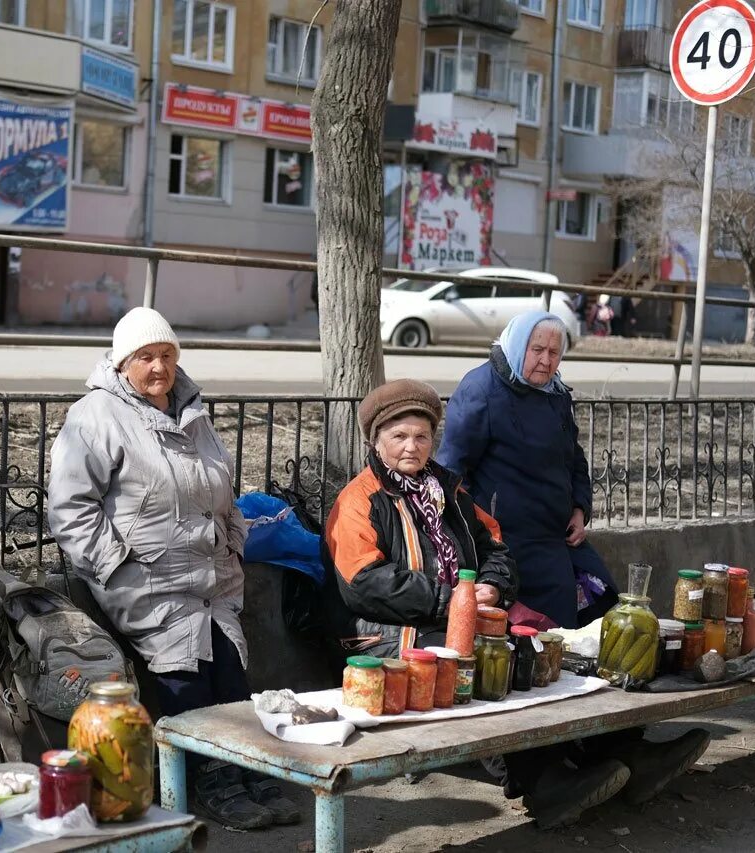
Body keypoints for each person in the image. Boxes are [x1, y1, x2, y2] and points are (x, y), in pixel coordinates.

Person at [437, 311, 710, 827]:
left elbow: (574, 460)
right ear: (517, 347)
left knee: (613, 629)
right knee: (543, 650)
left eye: (554, 352)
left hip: (563, 539)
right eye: (537, 350)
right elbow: (452, 473)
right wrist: (477, 542)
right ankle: (551, 774)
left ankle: (630, 751)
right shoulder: (482, 390)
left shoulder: (556, 394)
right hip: (511, 547)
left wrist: (580, 506)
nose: (545, 360)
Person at [47, 307, 297, 832]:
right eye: (146, 357)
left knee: (230, 675)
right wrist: (116, 566)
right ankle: (209, 782)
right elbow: (71, 508)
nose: (158, 367)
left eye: (166, 355)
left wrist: (234, 542)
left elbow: (223, 488)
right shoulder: (94, 415)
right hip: (148, 581)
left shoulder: (192, 409)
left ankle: (243, 770)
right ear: (122, 362)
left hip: (211, 580)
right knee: (185, 682)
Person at [320, 378, 517, 658]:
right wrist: (449, 600)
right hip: (380, 633)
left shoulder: (449, 493)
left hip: (450, 620)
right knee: (459, 662)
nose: (412, 447)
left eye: (421, 436)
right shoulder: (358, 499)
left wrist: (493, 586)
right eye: (399, 437)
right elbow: (363, 583)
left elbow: (494, 547)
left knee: (511, 658)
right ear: (375, 442)